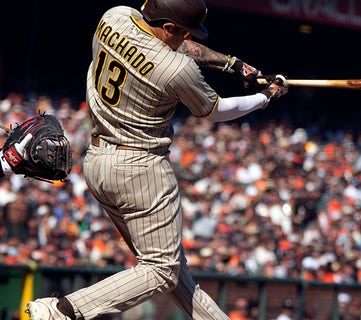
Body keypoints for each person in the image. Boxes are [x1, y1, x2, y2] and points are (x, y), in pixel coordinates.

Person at [24, 0, 288, 319]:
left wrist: (232, 64)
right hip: (141, 170)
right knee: (161, 271)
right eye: (183, 32)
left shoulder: (115, 17)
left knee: (170, 270)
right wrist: (265, 98)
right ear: (168, 28)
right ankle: (63, 310)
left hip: (97, 161)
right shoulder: (177, 69)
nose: (186, 38)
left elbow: (171, 46)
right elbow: (216, 112)